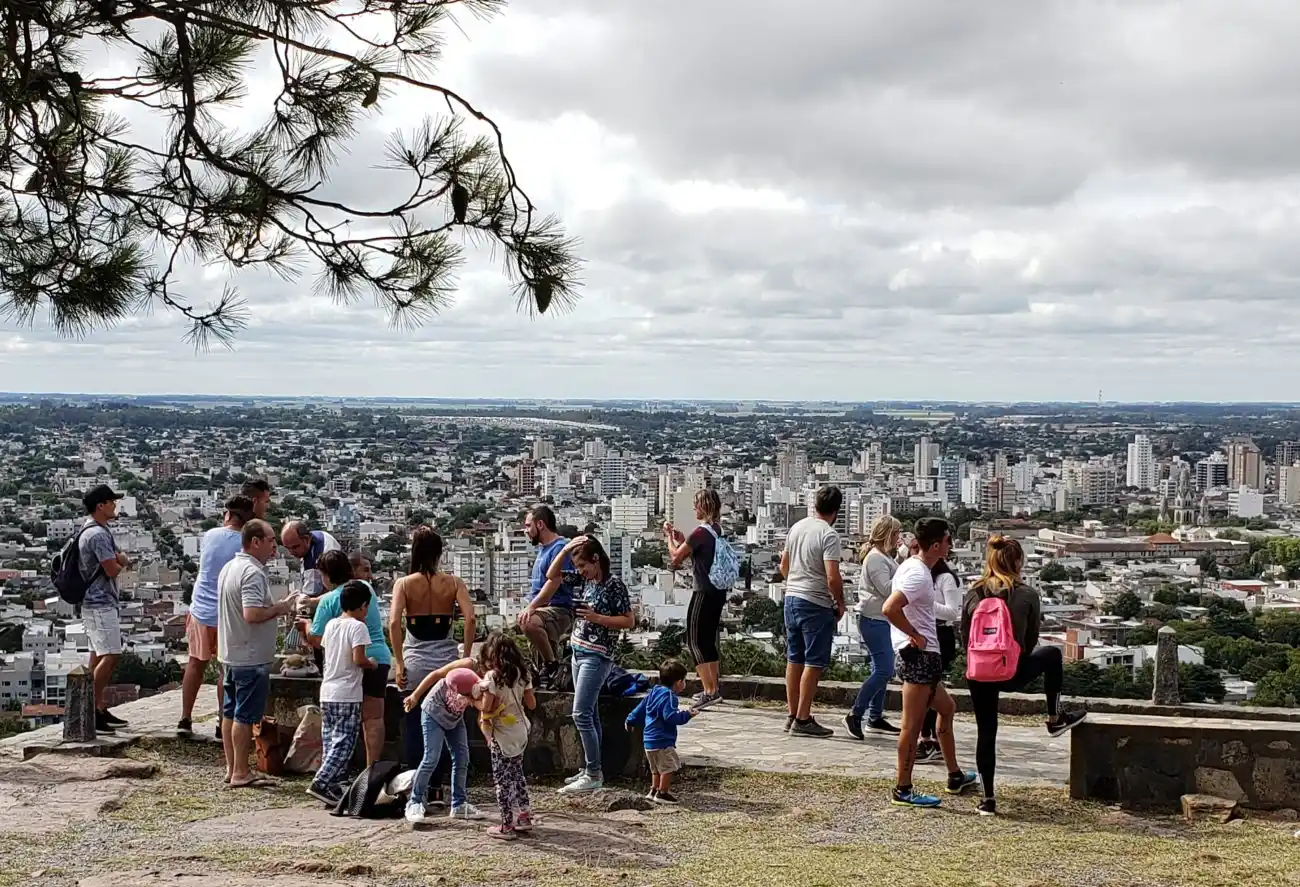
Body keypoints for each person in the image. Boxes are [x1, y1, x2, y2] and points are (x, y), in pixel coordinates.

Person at [962, 536, 1086, 816]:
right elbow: (1030, 642)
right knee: (1053, 654)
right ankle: (1055, 717)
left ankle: (988, 798)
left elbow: (964, 636)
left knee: (986, 732)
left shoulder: (974, 593)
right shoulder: (1027, 594)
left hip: (979, 672)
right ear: (1017, 562)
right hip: (1010, 670)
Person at [882, 517, 978, 808]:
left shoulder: (913, 567)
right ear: (936, 545)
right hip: (918, 657)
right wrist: (914, 634)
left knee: (947, 708)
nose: (950, 544)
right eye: (948, 540)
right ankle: (903, 787)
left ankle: (954, 774)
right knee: (910, 725)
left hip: (923, 656)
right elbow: (890, 608)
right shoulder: (919, 575)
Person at [539, 536, 633, 795]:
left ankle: (593, 773)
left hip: (597, 655)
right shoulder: (585, 582)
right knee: (589, 714)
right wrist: (567, 549)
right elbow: (552, 574)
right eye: (577, 567)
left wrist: (597, 618)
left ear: (596, 559)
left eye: (583, 566)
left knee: (580, 713)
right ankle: (590, 767)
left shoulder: (614, 586)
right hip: (578, 650)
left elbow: (628, 621)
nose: (580, 572)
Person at [388, 526, 474, 805]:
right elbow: (471, 619)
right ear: (438, 554)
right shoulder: (453, 583)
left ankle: (416, 790)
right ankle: (439, 789)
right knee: (449, 726)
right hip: (447, 663)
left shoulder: (403, 583)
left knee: (414, 724)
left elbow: (393, 622)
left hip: (414, 662)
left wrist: (399, 662)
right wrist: (467, 657)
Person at [217, 519, 300, 788]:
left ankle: (233, 768)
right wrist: (282, 608)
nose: (274, 546)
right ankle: (241, 771)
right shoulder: (252, 573)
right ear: (255, 542)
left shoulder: (229, 568)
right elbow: (252, 614)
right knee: (244, 715)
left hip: (230, 652)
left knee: (230, 713)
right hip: (249, 656)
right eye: (271, 540)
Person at [300, 551, 393, 768]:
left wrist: (304, 624)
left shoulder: (328, 602)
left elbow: (316, 639)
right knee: (373, 718)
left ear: (326, 576)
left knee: (343, 725)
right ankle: (372, 771)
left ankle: (335, 768)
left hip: (349, 665)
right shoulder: (364, 588)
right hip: (378, 655)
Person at [178, 495, 253, 740]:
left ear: (229, 515)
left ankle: (185, 718)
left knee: (194, 664)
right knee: (225, 671)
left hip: (200, 609)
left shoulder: (210, 535)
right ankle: (222, 723)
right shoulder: (245, 544)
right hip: (227, 614)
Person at [779, 485, 845, 738]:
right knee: (813, 662)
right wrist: (839, 601)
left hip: (791, 597)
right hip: (814, 601)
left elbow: (783, 565)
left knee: (794, 658)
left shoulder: (798, 527)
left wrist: (795, 581)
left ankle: (792, 713)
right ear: (836, 511)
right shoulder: (828, 535)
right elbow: (832, 577)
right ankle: (804, 718)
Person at [309, 580, 377, 805]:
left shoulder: (331, 625)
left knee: (330, 740)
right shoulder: (358, 627)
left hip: (328, 690)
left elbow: (329, 652)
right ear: (362, 606)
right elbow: (358, 659)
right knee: (344, 742)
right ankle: (321, 781)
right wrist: (372, 663)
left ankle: (332, 785)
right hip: (347, 692)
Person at [664, 489, 725, 708]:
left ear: (704, 507)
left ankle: (709, 691)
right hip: (718, 590)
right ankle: (714, 688)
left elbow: (675, 558)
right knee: (708, 640)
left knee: (694, 640)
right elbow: (701, 558)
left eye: (696, 505)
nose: (694, 509)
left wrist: (669, 538)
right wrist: (683, 540)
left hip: (703, 591)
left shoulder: (700, 532)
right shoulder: (717, 530)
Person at [78, 484, 131, 735]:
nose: (115, 505)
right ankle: (90, 709)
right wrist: (121, 562)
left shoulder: (91, 528)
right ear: (101, 505)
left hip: (93, 602)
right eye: (111, 502)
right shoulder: (97, 535)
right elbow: (113, 568)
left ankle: (98, 709)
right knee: (111, 655)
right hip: (99, 602)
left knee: (97, 656)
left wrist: (117, 558)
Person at [844, 514, 902, 740]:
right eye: (896, 534)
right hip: (873, 618)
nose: (898, 538)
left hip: (880, 618)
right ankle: (856, 713)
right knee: (885, 669)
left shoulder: (883, 557)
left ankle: (875, 716)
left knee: (880, 668)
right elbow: (887, 589)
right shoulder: (876, 559)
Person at [403, 666, 485, 823]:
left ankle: (459, 804)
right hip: (433, 713)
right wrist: (414, 696)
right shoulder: (463, 669)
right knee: (431, 757)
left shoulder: (484, 684)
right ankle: (415, 802)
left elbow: (483, 709)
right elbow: (436, 674)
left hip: (455, 718)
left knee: (462, 758)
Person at [475, 634, 537, 840]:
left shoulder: (493, 677)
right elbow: (532, 704)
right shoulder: (523, 673)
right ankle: (524, 816)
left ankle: (506, 825)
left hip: (502, 734)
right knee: (517, 774)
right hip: (520, 730)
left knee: (502, 781)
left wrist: (478, 696)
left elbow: (487, 708)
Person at [516, 505, 575, 685]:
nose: (525, 530)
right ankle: (547, 672)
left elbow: (554, 582)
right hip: (543, 609)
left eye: (528, 525)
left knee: (529, 623)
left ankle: (552, 665)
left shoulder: (559, 548)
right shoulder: (543, 549)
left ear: (540, 524)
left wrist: (531, 607)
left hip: (557, 607)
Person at [625, 659, 697, 805]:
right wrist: (687, 714)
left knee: (655, 768)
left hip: (648, 740)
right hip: (662, 739)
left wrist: (630, 720)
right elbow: (670, 716)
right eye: (684, 680)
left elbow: (641, 708)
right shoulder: (670, 697)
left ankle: (653, 790)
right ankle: (662, 793)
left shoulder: (654, 692)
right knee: (668, 767)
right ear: (678, 682)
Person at [917, 556, 963, 762]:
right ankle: (927, 736)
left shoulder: (945, 578)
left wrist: (926, 604)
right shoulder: (921, 576)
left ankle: (930, 738)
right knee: (924, 687)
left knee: (930, 688)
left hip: (941, 633)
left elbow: (952, 612)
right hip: (924, 632)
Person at [281, 519, 341, 599]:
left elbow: (311, 594)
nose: (291, 552)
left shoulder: (315, 554)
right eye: (287, 548)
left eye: (295, 547)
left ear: (306, 539)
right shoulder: (313, 539)